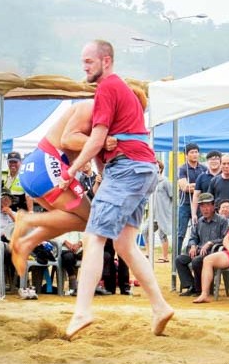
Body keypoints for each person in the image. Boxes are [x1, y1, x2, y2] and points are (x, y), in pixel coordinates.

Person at [59, 39, 174, 339]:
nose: (84, 66)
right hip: (141, 169)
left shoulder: (108, 88)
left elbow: (93, 140)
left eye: (89, 61)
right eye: (82, 61)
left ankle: (83, 310)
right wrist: (98, 172)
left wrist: (70, 171)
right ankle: (160, 306)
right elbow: (102, 146)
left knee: (93, 237)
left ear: (106, 60)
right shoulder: (121, 92)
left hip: (128, 169)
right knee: (124, 245)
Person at [10, 100, 99, 277]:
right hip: (47, 165)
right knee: (90, 218)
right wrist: (100, 141)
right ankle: (27, 220)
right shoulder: (89, 107)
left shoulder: (98, 115)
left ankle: (26, 244)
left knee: (75, 220)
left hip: (42, 167)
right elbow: (68, 138)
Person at [175, 192, 229, 297]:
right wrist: (193, 245)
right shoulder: (199, 221)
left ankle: (200, 289)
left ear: (213, 206)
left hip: (213, 253)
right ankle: (192, 286)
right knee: (180, 259)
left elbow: (226, 239)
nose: (205, 209)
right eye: (202, 206)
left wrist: (210, 243)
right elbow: (193, 237)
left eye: (208, 205)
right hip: (199, 251)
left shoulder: (222, 221)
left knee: (197, 261)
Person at [178, 142, 207, 253]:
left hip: (200, 204)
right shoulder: (182, 169)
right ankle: (177, 254)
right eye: (192, 152)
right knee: (181, 232)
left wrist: (193, 185)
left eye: (196, 152)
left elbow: (206, 185)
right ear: (186, 155)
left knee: (200, 230)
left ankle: (197, 252)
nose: (194, 154)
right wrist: (199, 185)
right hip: (185, 204)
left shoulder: (203, 168)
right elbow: (184, 187)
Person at [143, 160, 172, 263]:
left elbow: (172, 196)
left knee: (162, 234)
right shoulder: (149, 182)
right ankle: (148, 253)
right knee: (145, 230)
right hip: (152, 214)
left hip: (163, 214)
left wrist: (169, 211)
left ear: (160, 169)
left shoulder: (165, 181)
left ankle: (165, 257)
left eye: (156, 167)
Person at [191, 150, 222, 224]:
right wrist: (194, 214)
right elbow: (196, 196)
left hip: (222, 212)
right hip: (205, 212)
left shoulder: (225, 176)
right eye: (211, 159)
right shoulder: (201, 177)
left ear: (220, 161)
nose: (214, 161)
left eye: (216, 159)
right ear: (207, 161)